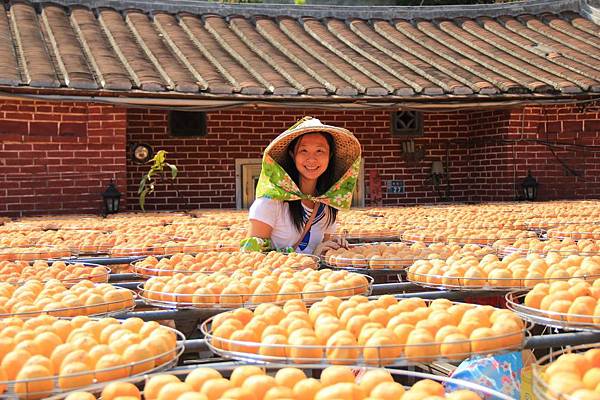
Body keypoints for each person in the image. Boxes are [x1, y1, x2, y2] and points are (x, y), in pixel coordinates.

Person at [240, 116, 362, 255]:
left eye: (319, 151)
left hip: (316, 276)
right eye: (304, 150)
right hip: (279, 277)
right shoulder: (271, 202)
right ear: (292, 155)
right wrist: (312, 255)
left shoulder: (327, 205)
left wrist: (332, 249)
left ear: (330, 156)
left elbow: (321, 252)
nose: (311, 159)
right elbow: (251, 257)